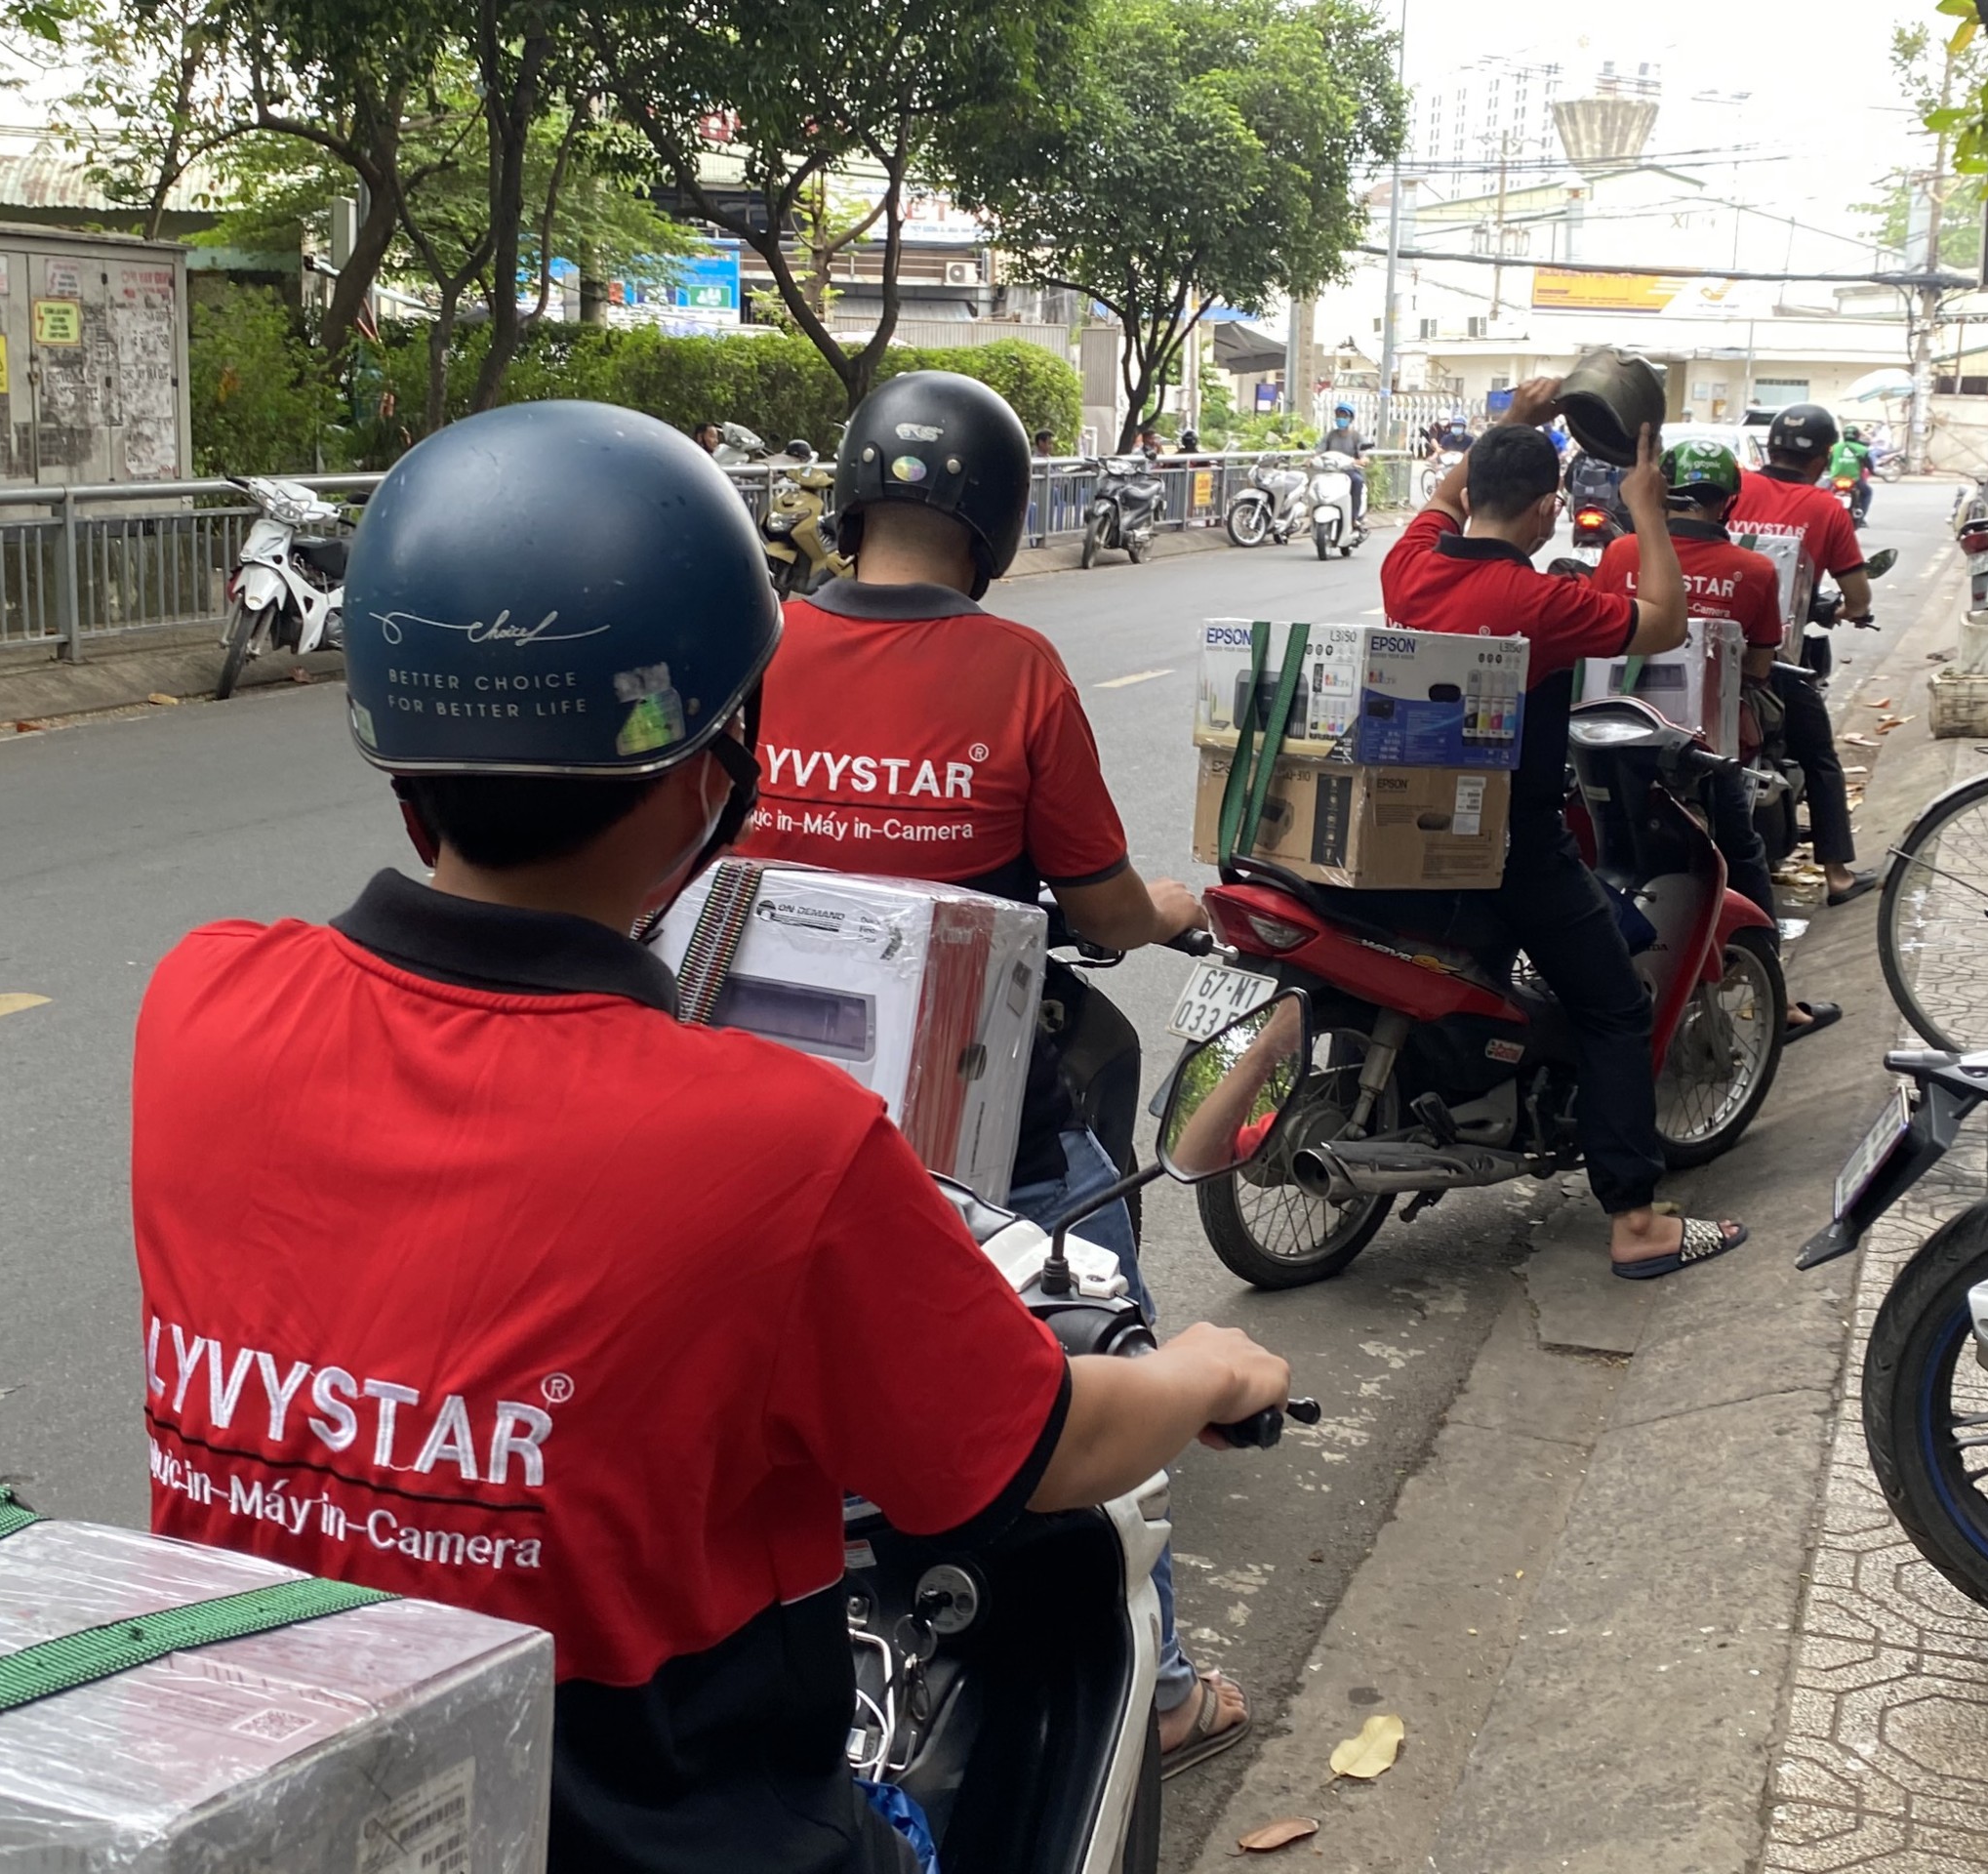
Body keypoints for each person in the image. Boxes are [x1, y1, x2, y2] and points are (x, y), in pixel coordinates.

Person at [131, 399, 1291, 1874]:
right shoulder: (782, 1146)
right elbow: (1037, 1447)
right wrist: (1201, 1371)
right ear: (710, 769)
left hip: (266, 1810)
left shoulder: (196, 1003)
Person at [727, 370, 1250, 1777]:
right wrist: (1170, 909)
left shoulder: (758, 650)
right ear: (1001, 519)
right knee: (1105, 1330)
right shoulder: (1016, 671)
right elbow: (1098, 906)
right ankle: (1161, 1690)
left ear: (851, 496)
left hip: (758, 1108)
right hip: (972, 1122)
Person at [1360, 378, 1750, 1280]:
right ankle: (1638, 1222)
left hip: (1406, 833)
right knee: (1615, 1005)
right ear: (1547, 511)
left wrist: (1510, 425)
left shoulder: (1409, 565)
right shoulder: (1539, 603)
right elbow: (1665, 623)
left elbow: (1446, 497)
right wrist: (1645, 508)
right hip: (1512, 846)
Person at [1591, 438, 1841, 1042]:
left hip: (1617, 739)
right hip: (1705, 748)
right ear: (1727, 501)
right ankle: (1778, 1000)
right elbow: (1759, 665)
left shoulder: (1622, 552)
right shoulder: (1754, 570)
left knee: (1605, 852)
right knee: (1741, 853)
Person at [1726, 402, 1878, 908]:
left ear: (1770, 447)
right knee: (1820, 757)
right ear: (1824, 458)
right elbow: (1858, 597)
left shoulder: (1735, 487)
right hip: (1772, 658)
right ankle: (1836, 874)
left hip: (1703, 647)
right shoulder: (1827, 509)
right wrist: (1850, 611)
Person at [1319, 401, 1367, 526]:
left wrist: (1361, 460)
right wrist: (1311, 459)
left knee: (1357, 481)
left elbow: (1363, 455)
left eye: (1344, 416)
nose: (1341, 419)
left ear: (1350, 418)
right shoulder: (1330, 436)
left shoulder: (1357, 437)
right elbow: (1319, 451)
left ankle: (1353, 518)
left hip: (1349, 471)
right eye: (1339, 415)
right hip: (1331, 471)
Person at [1829, 424, 1874, 527]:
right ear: (1857, 436)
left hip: (1835, 479)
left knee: (1822, 494)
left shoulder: (1834, 447)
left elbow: (1828, 462)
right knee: (1867, 493)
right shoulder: (1863, 449)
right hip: (1854, 479)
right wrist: (1873, 472)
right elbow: (1869, 464)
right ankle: (1861, 517)